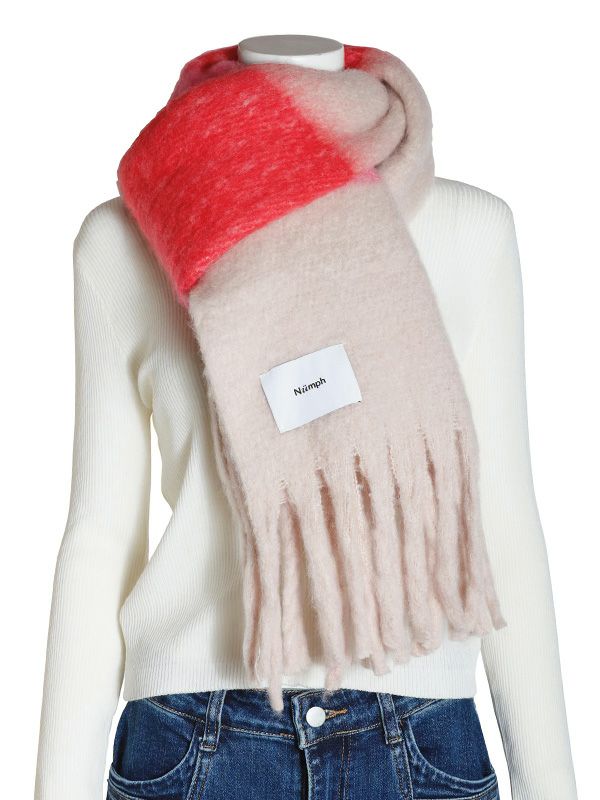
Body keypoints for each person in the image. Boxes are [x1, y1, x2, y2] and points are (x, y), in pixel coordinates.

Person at [34, 35, 578, 800]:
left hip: (420, 741)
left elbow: (502, 516)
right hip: (193, 743)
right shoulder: (122, 241)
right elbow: (99, 537)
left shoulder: (473, 229)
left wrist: (551, 781)